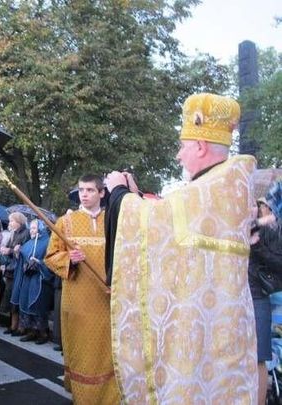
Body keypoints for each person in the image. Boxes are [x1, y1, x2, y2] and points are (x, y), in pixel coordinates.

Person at [105, 93, 258, 403]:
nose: (178, 156)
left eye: (182, 146)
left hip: (195, 339)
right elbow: (171, 228)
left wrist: (118, 192)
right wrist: (138, 197)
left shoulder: (210, 188)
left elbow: (152, 223)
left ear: (200, 146)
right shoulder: (229, 186)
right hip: (223, 336)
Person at [44, 174, 120, 404]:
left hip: (106, 299)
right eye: (81, 190)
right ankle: (83, 398)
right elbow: (51, 257)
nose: (84, 195)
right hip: (77, 301)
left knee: (107, 351)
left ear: (102, 193)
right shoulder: (65, 222)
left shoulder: (113, 220)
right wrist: (70, 259)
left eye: (90, 190)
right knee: (82, 352)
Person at [249, 198, 282, 404]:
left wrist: (257, 246)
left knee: (258, 357)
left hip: (258, 297)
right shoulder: (228, 228)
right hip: (234, 298)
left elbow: (279, 263)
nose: (251, 208)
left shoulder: (269, 231)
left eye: (255, 205)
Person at [15, 219, 54, 344]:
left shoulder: (48, 242)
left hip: (40, 280)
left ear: (41, 229)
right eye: (30, 228)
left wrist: (39, 263)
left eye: (34, 228)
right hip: (28, 278)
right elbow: (22, 258)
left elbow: (51, 261)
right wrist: (18, 253)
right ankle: (31, 332)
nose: (31, 231)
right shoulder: (29, 243)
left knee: (38, 305)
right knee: (26, 302)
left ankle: (43, 333)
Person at [0, 212, 30, 335]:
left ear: (19, 222)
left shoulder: (26, 233)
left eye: (12, 221)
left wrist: (10, 251)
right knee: (11, 297)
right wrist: (4, 249)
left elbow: (25, 250)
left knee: (17, 298)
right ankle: (13, 326)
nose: (10, 223)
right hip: (10, 269)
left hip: (19, 270)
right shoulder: (12, 233)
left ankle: (20, 327)